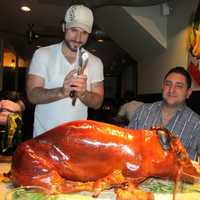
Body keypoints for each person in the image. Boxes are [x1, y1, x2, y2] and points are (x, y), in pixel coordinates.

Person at [26, 5, 104, 137]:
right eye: (74, 30)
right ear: (64, 27)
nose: (78, 38)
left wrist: (83, 93)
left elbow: (98, 102)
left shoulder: (95, 62)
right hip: (44, 138)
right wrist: (62, 91)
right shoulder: (42, 54)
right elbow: (32, 95)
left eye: (84, 32)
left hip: (75, 142)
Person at [128, 66, 200, 160]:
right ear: (162, 88)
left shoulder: (196, 124)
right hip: (140, 172)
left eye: (179, 86)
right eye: (168, 84)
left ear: (188, 93)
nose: (171, 90)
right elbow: (128, 144)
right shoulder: (142, 111)